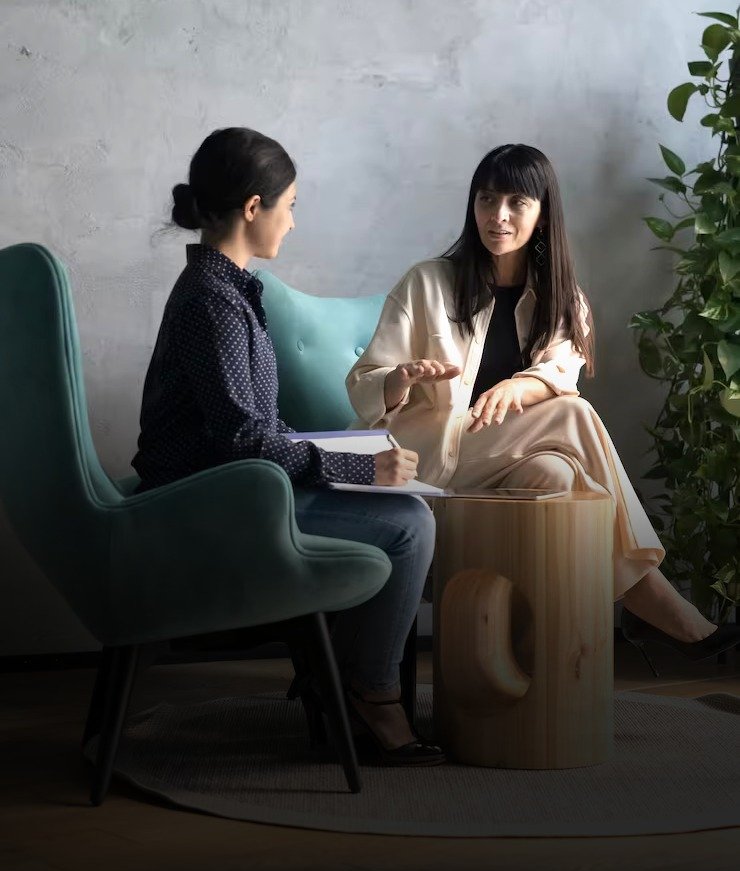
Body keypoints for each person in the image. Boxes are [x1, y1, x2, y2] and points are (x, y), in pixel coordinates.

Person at [347, 143, 740, 671]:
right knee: (574, 415)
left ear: (544, 213)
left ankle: (530, 655)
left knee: (557, 474)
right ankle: (649, 599)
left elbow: (561, 369)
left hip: (501, 465)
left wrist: (520, 388)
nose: (499, 215)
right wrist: (400, 378)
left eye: (517, 202)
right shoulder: (427, 283)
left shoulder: (561, 296)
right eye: (487, 199)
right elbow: (363, 385)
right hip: (427, 460)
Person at [132, 127, 443, 765]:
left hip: (231, 488)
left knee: (403, 512)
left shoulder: (225, 289)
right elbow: (244, 442)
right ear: (254, 207)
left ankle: (340, 676)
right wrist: (359, 467)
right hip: (208, 504)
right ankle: (370, 693)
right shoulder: (214, 302)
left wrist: (344, 458)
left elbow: (252, 431)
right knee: (409, 525)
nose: (293, 222)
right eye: (290, 205)